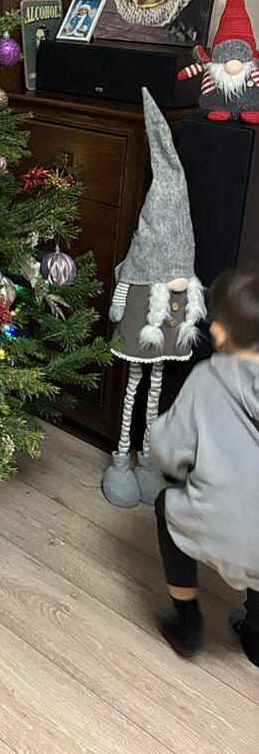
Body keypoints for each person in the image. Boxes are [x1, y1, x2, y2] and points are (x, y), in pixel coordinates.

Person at [149, 267, 259, 664]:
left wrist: (181, 469)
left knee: (166, 507)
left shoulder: (207, 378)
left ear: (219, 333)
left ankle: (186, 621)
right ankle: (256, 635)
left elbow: (167, 450)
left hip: (216, 525)